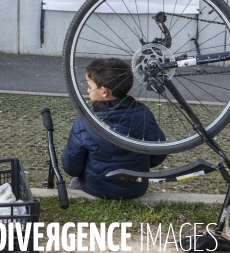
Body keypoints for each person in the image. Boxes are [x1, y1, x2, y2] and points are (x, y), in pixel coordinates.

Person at [61, 58, 166, 199]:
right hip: (136, 188)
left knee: (75, 182)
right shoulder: (144, 114)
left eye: (90, 87)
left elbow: (72, 167)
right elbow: (158, 154)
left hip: (97, 188)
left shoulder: (84, 121)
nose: (87, 90)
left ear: (104, 91)